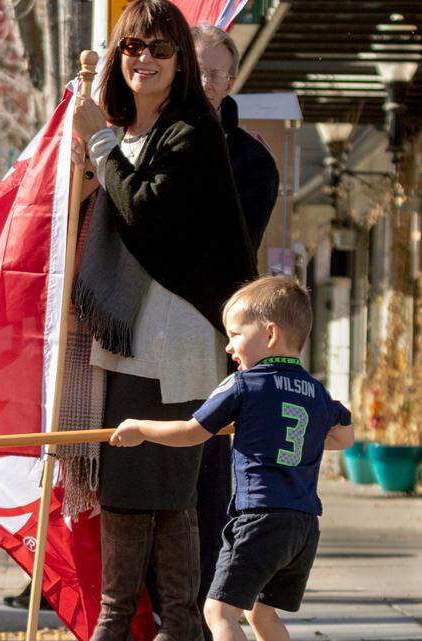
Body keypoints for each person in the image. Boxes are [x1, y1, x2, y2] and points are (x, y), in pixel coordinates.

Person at [70, 1, 258, 639]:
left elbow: (144, 215)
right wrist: (92, 148)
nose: (142, 60)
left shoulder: (191, 130)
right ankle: (139, 625)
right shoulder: (126, 136)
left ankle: (133, 627)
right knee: (141, 496)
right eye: (132, 48)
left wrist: (97, 139)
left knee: (157, 493)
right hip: (123, 342)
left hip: (174, 346)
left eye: (158, 50)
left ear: (179, 63)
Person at [110, 275, 354, 641]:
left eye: (236, 334)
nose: (229, 346)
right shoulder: (316, 391)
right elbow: (344, 437)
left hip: (259, 518)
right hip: (303, 524)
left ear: (269, 334)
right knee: (262, 615)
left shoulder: (243, 385)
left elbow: (192, 432)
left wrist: (140, 428)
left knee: (218, 611)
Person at [190, 23, 280, 641]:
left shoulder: (250, 160)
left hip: (216, 340)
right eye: (199, 69)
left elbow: (223, 249)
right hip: (135, 344)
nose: (210, 83)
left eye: (221, 73)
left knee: (213, 485)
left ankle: (208, 610)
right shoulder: (136, 138)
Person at [192, 24, 279, 251]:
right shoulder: (141, 133)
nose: (204, 83)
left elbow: (239, 248)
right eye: (197, 71)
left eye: (215, 75)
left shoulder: (254, 159)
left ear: (229, 84)